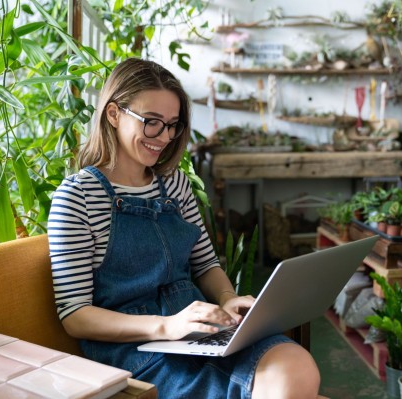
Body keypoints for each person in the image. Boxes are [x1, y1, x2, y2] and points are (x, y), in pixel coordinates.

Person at [48, 57, 320, 398]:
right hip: (136, 349)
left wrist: (227, 298)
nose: (163, 137)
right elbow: (75, 315)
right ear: (114, 114)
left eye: (173, 125)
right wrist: (166, 326)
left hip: (199, 332)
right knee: (279, 381)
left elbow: (204, 264)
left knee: (297, 365)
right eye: (152, 122)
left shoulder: (174, 184)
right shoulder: (76, 197)